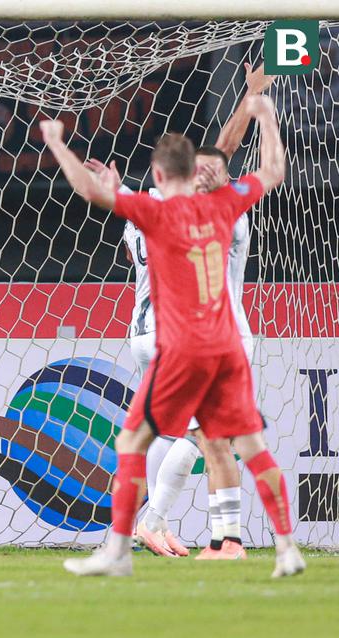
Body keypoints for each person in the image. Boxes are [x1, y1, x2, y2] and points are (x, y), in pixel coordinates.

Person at [41, 94, 305, 578]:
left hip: (180, 347)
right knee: (248, 446)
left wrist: (58, 143)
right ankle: (287, 548)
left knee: (134, 442)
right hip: (227, 345)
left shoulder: (154, 214)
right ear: (197, 173)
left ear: (159, 177)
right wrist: (264, 115)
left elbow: (89, 190)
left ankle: (121, 548)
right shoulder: (227, 206)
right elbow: (272, 173)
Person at [111, 63, 279, 559]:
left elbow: (218, 159)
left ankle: (159, 523)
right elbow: (223, 155)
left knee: (179, 432)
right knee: (203, 435)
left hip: (145, 329)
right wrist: (251, 103)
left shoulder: (144, 208)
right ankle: (162, 523)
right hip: (197, 333)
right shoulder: (206, 209)